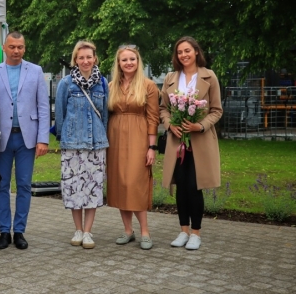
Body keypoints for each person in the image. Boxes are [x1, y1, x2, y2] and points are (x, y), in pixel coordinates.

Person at [0, 31, 50, 250]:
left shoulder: (35, 71)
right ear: (4, 48)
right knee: (1, 185)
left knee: (24, 185)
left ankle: (20, 231)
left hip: (27, 139)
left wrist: (43, 138)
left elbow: (43, 106)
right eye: (12, 47)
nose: (16, 51)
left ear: (24, 48)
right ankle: (4, 231)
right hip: (1, 139)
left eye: (20, 47)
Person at [160, 36, 222, 250]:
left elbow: (216, 110)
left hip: (200, 140)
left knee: (194, 186)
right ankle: (183, 230)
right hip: (178, 141)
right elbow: (163, 109)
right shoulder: (170, 77)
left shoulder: (209, 76)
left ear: (196, 51)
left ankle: (196, 233)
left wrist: (200, 126)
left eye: (187, 51)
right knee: (181, 187)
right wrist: (170, 125)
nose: (183, 55)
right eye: (179, 52)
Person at [55, 40, 109, 249]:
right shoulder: (66, 84)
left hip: (96, 144)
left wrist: (101, 138)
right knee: (74, 188)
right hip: (72, 144)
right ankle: (77, 229)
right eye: (81, 57)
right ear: (75, 60)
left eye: (89, 57)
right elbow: (59, 115)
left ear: (95, 58)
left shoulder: (102, 83)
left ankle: (88, 232)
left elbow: (104, 115)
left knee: (93, 189)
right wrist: (63, 139)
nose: (85, 61)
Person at [106, 44, 160, 250]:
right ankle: (128, 230)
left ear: (138, 62)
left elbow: (153, 118)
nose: (129, 63)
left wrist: (151, 147)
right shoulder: (111, 86)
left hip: (139, 136)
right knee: (120, 183)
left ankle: (145, 231)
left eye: (132, 59)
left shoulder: (148, 86)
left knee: (135, 183)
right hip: (116, 137)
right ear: (118, 63)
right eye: (124, 60)